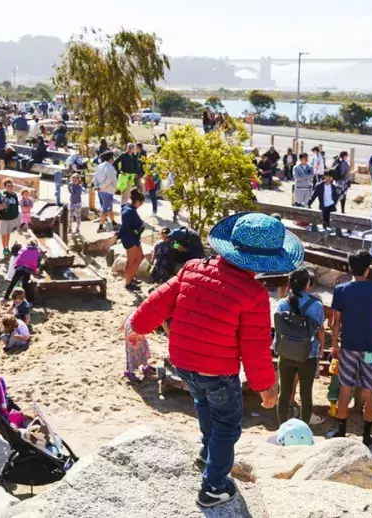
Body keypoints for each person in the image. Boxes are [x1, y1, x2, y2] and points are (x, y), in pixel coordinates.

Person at [126, 212, 298, 508]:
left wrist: (136, 325)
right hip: (218, 371)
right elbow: (254, 346)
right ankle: (213, 487)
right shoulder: (254, 294)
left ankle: (207, 453)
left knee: (204, 405)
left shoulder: (193, 268)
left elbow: (159, 299)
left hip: (183, 362)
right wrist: (265, 385)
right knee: (228, 426)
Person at [327, 250, 372, 447]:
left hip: (348, 348)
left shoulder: (341, 290)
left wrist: (335, 344)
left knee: (345, 389)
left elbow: (336, 321)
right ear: (367, 270)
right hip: (369, 349)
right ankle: (367, 437)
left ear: (349, 268)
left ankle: (342, 434)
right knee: (369, 391)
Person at [273, 266, 325, 427]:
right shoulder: (316, 305)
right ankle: (303, 429)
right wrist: (322, 347)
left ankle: (282, 427)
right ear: (307, 283)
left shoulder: (282, 303)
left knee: (284, 392)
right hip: (308, 354)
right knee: (306, 393)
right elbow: (320, 330)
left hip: (286, 353)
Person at [118, 190, 146, 290]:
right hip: (130, 239)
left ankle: (131, 277)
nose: (141, 205)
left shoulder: (130, 208)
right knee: (131, 261)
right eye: (141, 202)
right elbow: (125, 227)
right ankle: (128, 283)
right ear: (138, 201)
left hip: (135, 238)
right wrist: (117, 236)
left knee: (139, 258)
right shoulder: (128, 211)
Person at [93, 151, 119, 232]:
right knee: (105, 209)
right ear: (111, 158)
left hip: (101, 191)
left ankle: (114, 223)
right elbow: (109, 180)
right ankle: (100, 227)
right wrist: (100, 187)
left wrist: (97, 186)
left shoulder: (100, 166)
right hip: (107, 191)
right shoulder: (110, 168)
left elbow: (95, 177)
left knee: (109, 208)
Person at [0, 178, 22, 256]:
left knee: (8, 234)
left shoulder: (15, 196)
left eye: (11, 186)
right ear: (5, 187)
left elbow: (16, 207)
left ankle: (7, 247)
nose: (10, 187)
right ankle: (4, 248)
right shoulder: (2, 196)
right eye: (8, 186)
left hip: (12, 219)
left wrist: (16, 217)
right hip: (3, 219)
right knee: (3, 234)